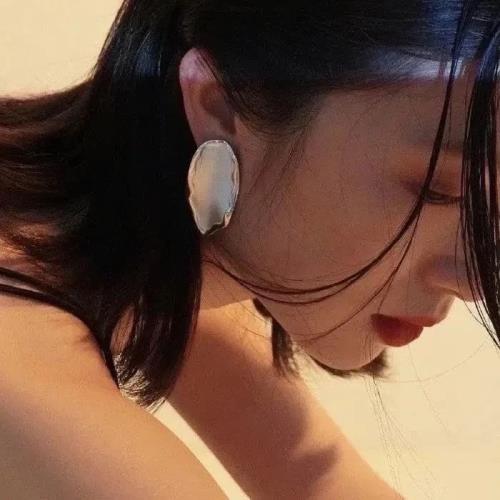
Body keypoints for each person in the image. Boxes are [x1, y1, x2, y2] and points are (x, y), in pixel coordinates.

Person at [0, 0, 499, 497]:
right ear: (219, 108)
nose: (472, 281)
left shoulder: (146, 268)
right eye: (437, 190)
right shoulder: (30, 370)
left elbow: (319, 479)